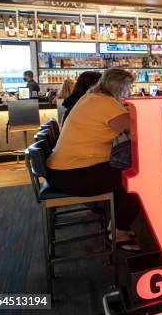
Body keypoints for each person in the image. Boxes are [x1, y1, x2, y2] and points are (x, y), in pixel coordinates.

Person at [46, 68, 142, 252]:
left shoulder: (91, 97)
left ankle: (116, 222)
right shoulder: (105, 103)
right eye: (128, 87)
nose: (129, 92)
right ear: (118, 86)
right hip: (75, 173)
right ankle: (118, 230)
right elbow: (135, 127)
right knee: (136, 180)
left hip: (62, 170)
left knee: (129, 173)